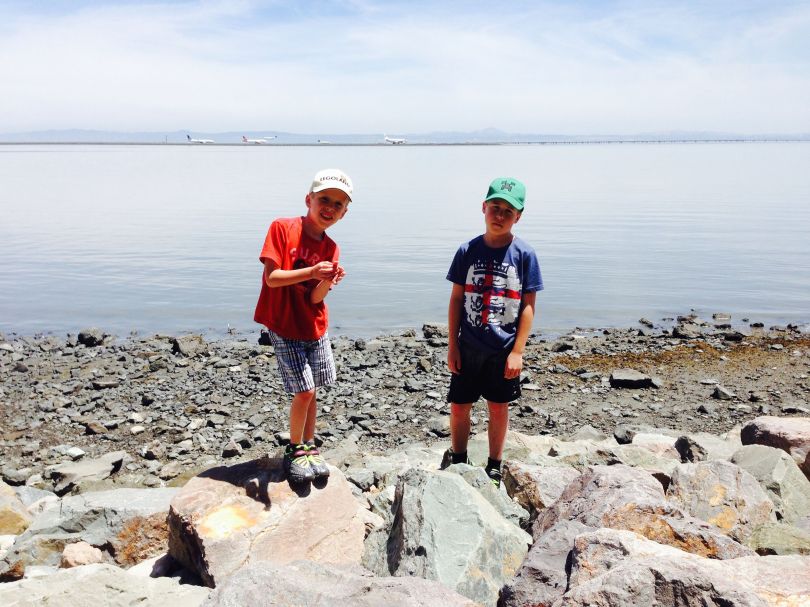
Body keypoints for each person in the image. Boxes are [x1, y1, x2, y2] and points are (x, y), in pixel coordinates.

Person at [442, 177, 543, 487]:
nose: (499, 216)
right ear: (483, 208)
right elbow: (457, 299)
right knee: (460, 405)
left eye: (508, 211)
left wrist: (518, 351)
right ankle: (459, 458)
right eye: (495, 208)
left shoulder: (524, 255)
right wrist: (452, 345)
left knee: (498, 407)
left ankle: (495, 465)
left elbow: (528, 306)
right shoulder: (467, 250)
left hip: (503, 349)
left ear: (518, 217)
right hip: (468, 345)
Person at [254, 168, 352, 484]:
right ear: (309, 199)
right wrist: (311, 271)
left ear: (344, 212)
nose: (330, 208)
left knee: (313, 390)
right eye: (324, 199)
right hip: (284, 323)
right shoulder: (282, 228)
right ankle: (294, 449)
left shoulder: (331, 248)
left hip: (314, 326)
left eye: (338, 204)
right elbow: (272, 278)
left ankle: (309, 446)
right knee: (304, 390)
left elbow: (314, 298)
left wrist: (328, 281)